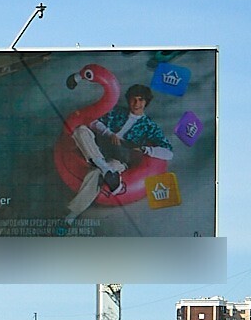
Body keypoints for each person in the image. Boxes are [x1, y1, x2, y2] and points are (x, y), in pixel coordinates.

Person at [62, 84, 170, 227]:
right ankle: (103, 167)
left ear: (146, 102)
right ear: (128, 100)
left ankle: (72, 214)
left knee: (97, 173)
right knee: (80, 130)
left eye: (141, 100)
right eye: (133, 99)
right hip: (98, 147)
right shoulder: (117, 112)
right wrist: (108, 133)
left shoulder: (149, 126)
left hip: (119, 158)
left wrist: (144, 149)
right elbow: (93, 121)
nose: (136, 104)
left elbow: (168, 152)